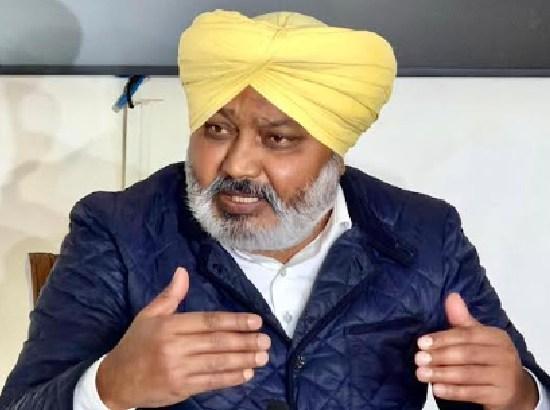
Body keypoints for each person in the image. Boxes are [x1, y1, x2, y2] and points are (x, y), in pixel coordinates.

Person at [1, 9, 549, 410]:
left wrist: (519, 394)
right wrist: (107, 387)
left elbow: (517, 386)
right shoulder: (118, 230)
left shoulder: (425, 234)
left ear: (335, 152)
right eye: (216, 129)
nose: (237, 164)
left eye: (278, 139)